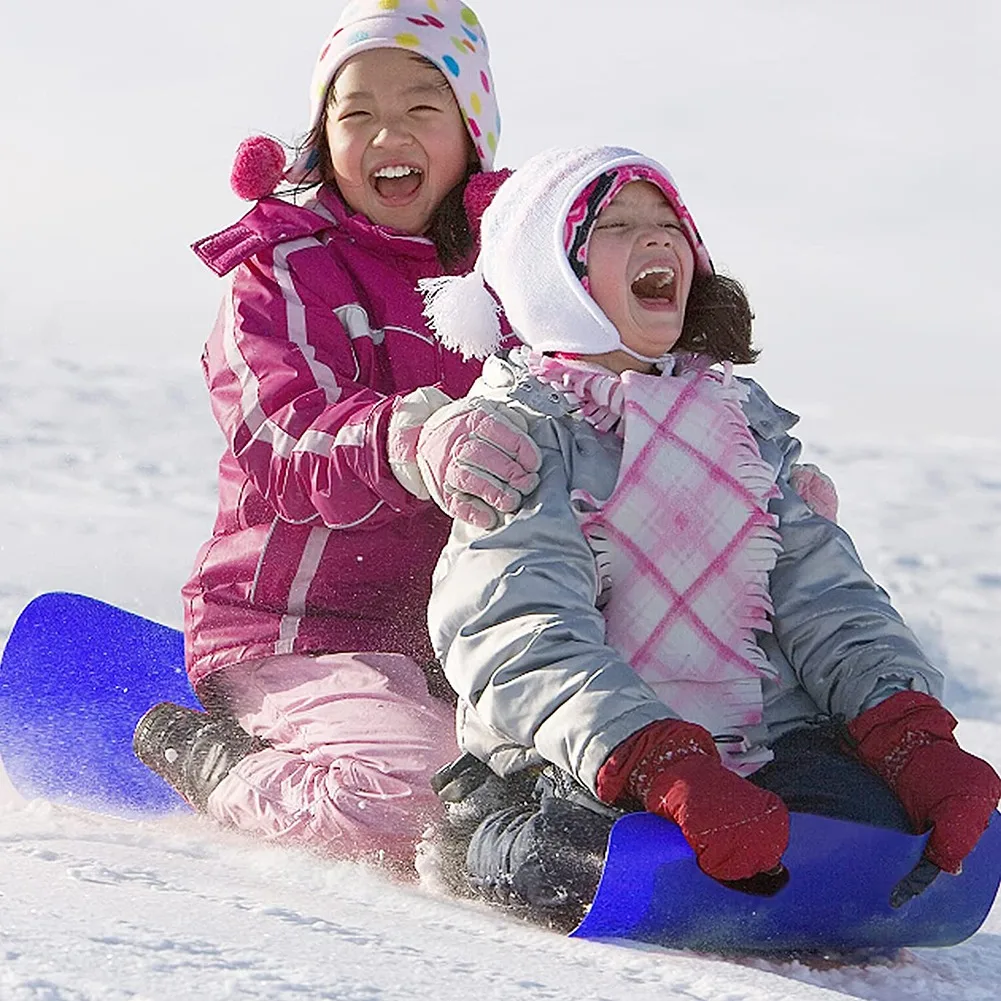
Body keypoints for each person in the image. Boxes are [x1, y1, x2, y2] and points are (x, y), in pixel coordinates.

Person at [417, 145, 1001, 924]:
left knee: (872, 824)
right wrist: (655, 757)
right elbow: (516, 631)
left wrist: (904, 731)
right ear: (551, 275)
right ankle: (474, 843)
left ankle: (762, 835)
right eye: (617, 225)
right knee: (582, 847)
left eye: (669, 223)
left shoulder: (744, 428)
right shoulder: (523, 434)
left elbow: (826, 599)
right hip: (577, 760)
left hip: (753, 747)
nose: (658, 239)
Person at [132, 0, 542, 871]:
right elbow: (278, 431)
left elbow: (602, 402)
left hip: (471, 633)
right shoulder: (279, 271)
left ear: (471, 132)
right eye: (356, 113)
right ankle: (217, 760)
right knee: (412, 805)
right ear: (323, 142)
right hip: (299, 627)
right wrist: (405, 440)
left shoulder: (519, 282)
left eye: (421, 108)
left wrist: (737, 483)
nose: (387, 132)